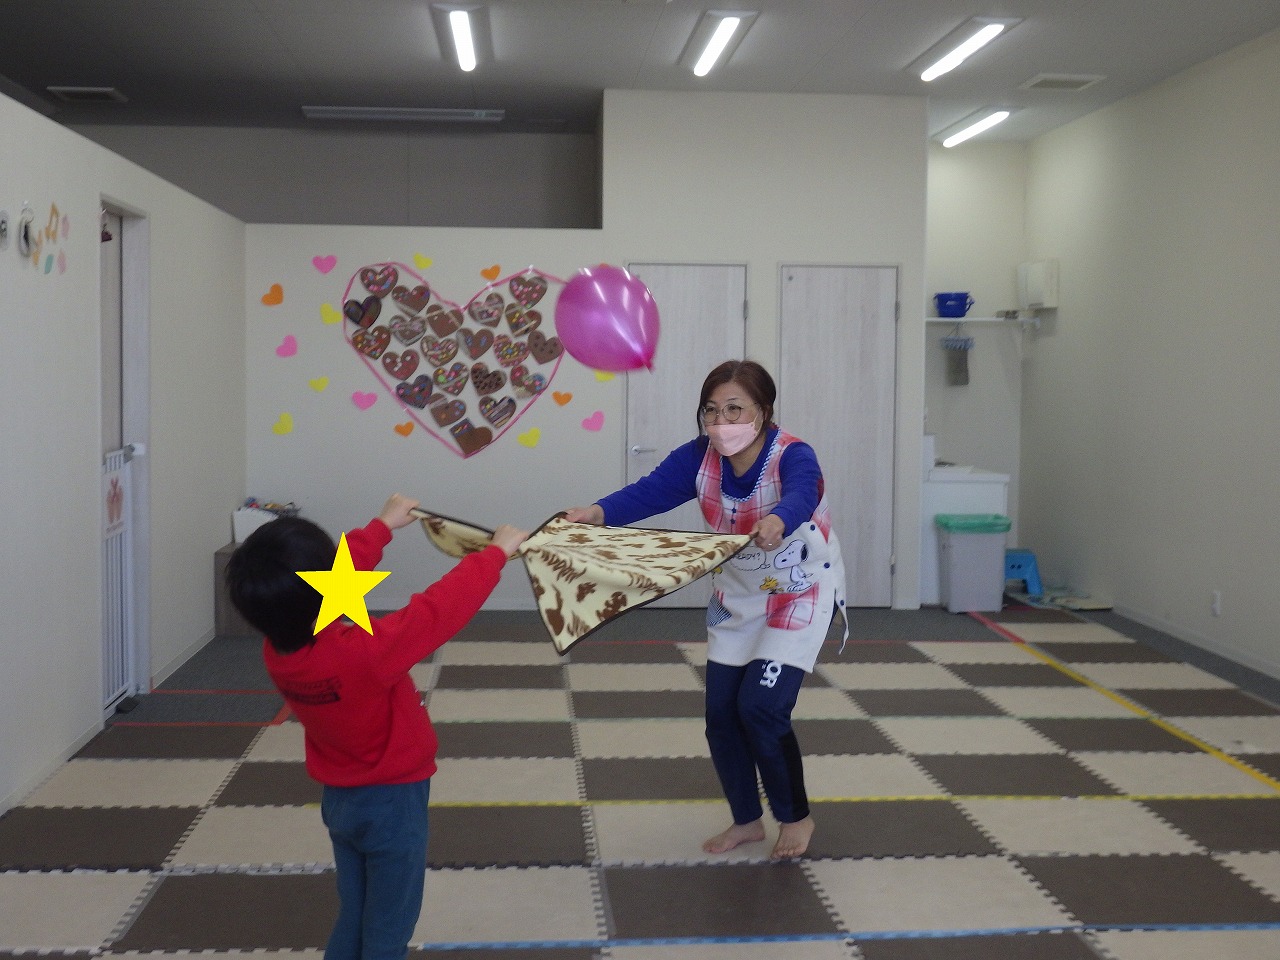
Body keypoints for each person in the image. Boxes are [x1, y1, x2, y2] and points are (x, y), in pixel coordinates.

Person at [225, 493, 527, 960]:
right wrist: (494, 556)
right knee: (389, 927)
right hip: (393, 804)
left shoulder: (278, 649)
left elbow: (334, 582)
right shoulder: (364, 655)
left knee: (356, 911)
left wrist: (383, 525)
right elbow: (437, 611)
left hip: (341, 800)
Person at [565, 359, 846, 860]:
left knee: (760, 709)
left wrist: (780, 519)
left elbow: (805, 493)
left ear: (763, 411)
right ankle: (746, 820)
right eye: (711, 411)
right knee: (720, 715)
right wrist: (597, 513)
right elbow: (649, 492)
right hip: (736, 597)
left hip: (797, 595)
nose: (721, 423)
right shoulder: (699, 457)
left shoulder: (792, 455)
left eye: (734, 409)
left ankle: (795, 817)